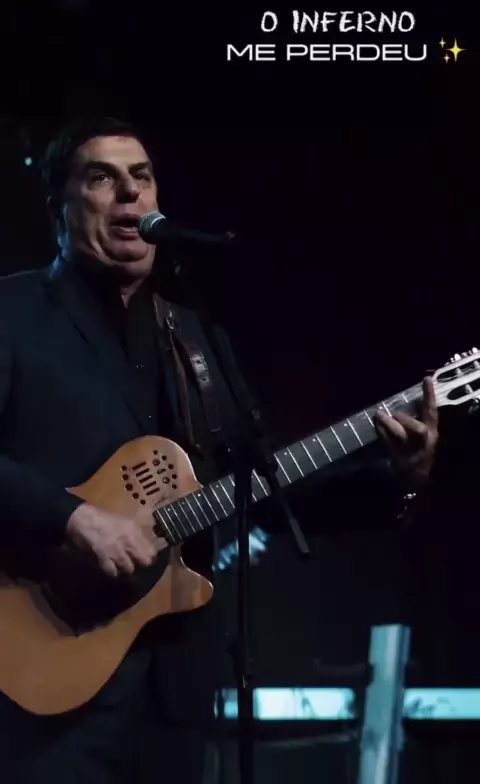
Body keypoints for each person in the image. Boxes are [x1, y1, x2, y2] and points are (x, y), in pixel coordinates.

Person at [0, 115, 439, 783]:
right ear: (58, 206)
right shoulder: (15, 312)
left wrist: (398, 479)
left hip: (172, 697)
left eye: (143, 177)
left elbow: (264, 488)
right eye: (102, 178)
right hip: (40, 691)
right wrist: (72, 518)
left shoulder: (194, 339)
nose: (130, 193)